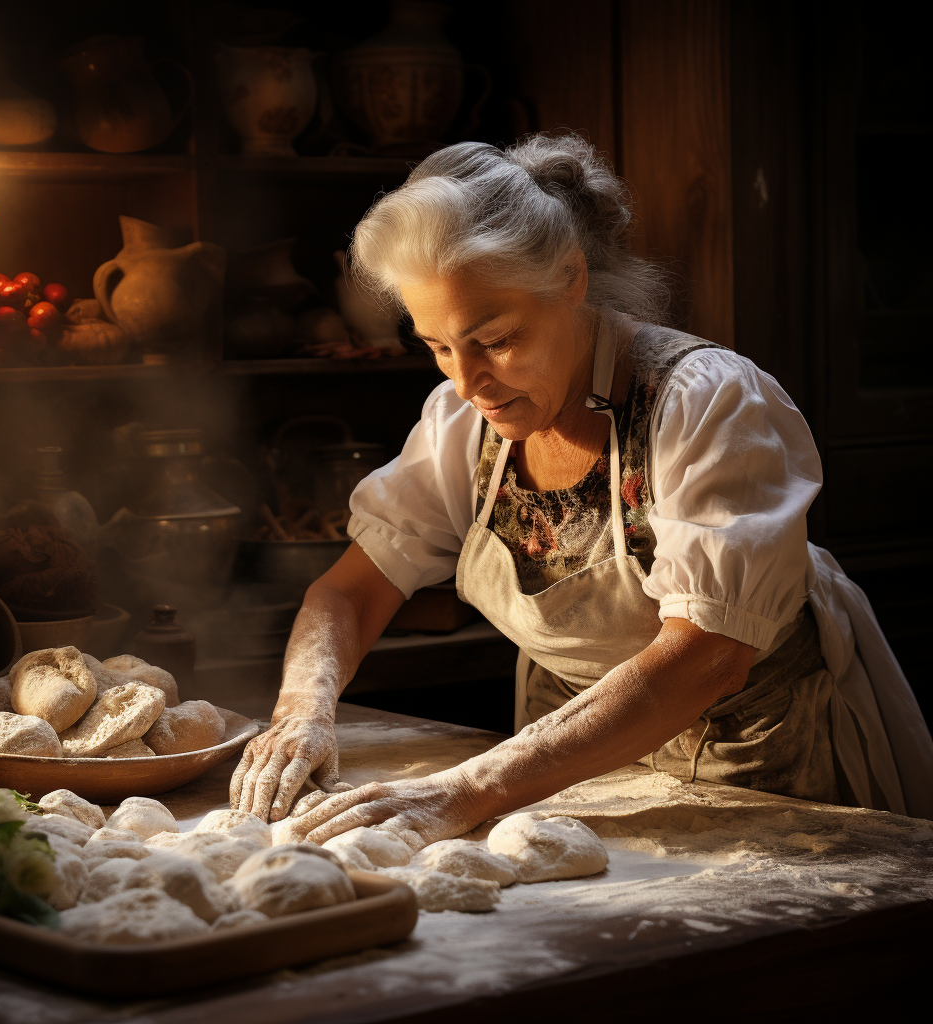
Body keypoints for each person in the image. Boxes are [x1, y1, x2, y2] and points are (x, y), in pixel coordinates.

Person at [230, 133, 933, 846]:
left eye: (496, 339)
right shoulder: (463, 426)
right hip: (565, 770)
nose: (466, 383)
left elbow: (709, 656)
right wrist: (301, 712)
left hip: (759, 769)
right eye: (438, 346)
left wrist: (468, 786)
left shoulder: (704, 400)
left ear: (571, 279)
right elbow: (348, 592)